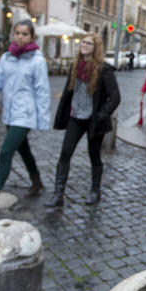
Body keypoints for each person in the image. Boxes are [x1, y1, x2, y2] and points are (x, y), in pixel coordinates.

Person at [0, 20, 50, 220]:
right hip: (10, 114)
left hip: (26, 114)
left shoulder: (37, 61)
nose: (20, 36)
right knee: (24, 150)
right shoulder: (6, 58)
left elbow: (43, 91)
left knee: (6, 152)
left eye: (25, 33)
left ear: (31, 37)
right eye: (17, 33)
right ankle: (37, 181)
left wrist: (42, 120)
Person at [47, 32, 120, 207]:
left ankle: (95, 191)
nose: (84, 45)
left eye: (88, 43)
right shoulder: (75, 66)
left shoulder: (103, 70)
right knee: (66, 152)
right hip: (76, 117)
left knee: (94, 155)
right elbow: (69, 92)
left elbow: (115, 97)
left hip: (94, 120)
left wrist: (101, 115)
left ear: (96, 48)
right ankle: (58, 194)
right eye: (83, 42)